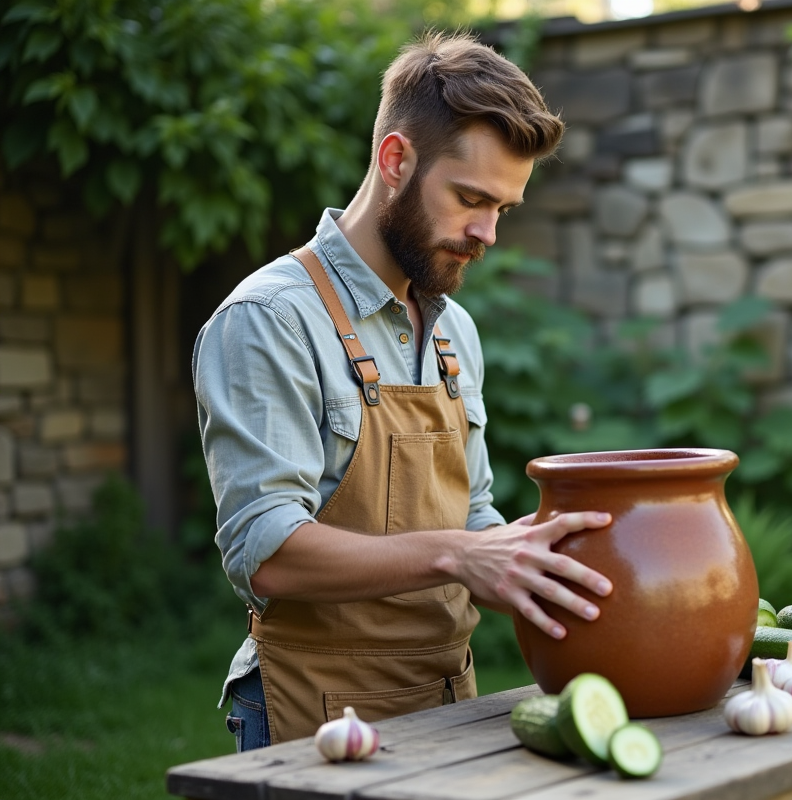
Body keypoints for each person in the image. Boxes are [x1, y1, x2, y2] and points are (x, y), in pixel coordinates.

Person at [192, 31, 613, 752]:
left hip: (451, 704)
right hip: (312, 715)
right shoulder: (270, 319)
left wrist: (543, 569)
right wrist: (457, 555)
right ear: (396, 159)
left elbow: (472, 513)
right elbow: (266, 550)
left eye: (503, 210)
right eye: (470, 198)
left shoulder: (456, 333)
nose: (486, 233)